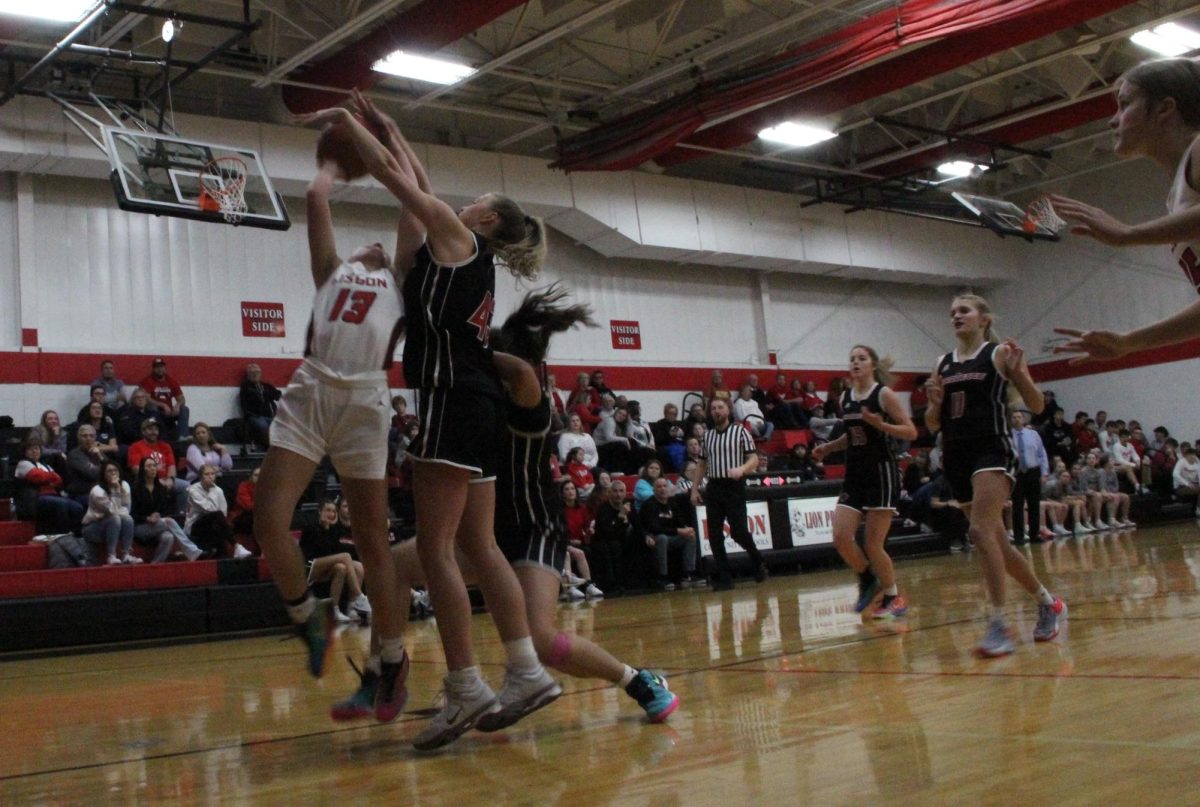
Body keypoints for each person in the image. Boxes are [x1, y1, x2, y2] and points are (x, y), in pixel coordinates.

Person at [301, 91, 558, 750]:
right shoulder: (465, 253)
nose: (459, 198)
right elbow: (412, 181)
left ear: (488, 217)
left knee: (440, 550)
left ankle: (467, 682)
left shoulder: (456, 232)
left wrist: (350, 125)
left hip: (447, 397)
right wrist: (388, 124)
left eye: (475, 198)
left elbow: (395, 177)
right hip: (480, 405)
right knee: (479, 545)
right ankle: (525, 669)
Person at [333, 286, 677, 729]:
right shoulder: (473, 407)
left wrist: (456, 349)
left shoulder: (528, 397)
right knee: (393, 567)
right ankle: (389, 668)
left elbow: (515, 368)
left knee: (540, 638)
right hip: (484, 535)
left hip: (534, 529)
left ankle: (637, 680)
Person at [242, 146, 408, 736]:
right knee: (267, 521)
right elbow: (315, 197)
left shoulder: (402, 283)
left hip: (365, 398)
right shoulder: (331, 272)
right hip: (312, 389)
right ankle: (309, 619)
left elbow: (412, 207)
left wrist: (387, 154)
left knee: (373, 542)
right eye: (367, 246)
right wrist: (335, 163)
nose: (375, 247)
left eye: (382, 249)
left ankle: (391, 662)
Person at [924, 294, 1065, 657]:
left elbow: (1036, 406)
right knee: (997, 543)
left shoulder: (1000, 354)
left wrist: (1019, 373)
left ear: (984, 319)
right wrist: (935, 404)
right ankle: (1047, 602)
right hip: (955, 455)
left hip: (993, 450)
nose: (956, 316)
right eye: (952, 312)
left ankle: (1000, 623)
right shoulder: (943, 363)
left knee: (978, 531)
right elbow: (931, 424)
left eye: (964, 311)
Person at [1051, 58, 1200, 362]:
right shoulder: (1178, 194)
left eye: (1124, 104)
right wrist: (1129, 342)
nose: (1112, 120)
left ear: (1164, 108)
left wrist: (1128, 234)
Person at [812, 345, 917, 620]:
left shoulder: (883, 394)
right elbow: (852, 435)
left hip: (882, 471)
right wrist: (829, 448)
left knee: (873, 544)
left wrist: (881, 425)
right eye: (852, 359)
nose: (855, 363)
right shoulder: (846, 397)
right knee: (840, 536)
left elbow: (910, 430)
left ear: (872, 364)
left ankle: (894, 597)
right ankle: (868, 579)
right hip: (855, 472)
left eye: (861, 358)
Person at [690, 397, 766, 590]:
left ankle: (757, 561)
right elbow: (702, 463)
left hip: (734, 486)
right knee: (714, 535)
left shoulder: (740, 432)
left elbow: (754, 459)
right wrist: (695, 489)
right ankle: (725, 577)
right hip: (714, 486)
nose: (716, 411)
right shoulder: (707, 436)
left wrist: (742, 469)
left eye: (720, 407)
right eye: (713, 408)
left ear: (728, 410)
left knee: (738, 532)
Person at [300, 501, 372, 623]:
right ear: (320, 512)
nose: (331, 513)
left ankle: (341, 609)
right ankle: (359, 596)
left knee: (346, 567)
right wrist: (326, 527)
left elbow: (332, 551)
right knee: (345, 556)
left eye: (333, 511)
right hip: (306, 568)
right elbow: (319, 550)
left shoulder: (334, 530)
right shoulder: (311, 527)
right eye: (327, 510)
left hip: (322, 567)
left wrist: (330, 528)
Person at [131, 457, 203, 562]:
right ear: (143, 469)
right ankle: (191, 550)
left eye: (154, 465)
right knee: (169, 521)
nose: (152, 468)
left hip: (157, 525)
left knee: (168, 537)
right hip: (140, 527)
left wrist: (157, 514)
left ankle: (155, 566)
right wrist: (147, 518)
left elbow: (163, 509)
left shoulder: (160, 488)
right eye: (149, 466)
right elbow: (132, 514)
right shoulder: (135, 488)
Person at [639, 476, 702, 591]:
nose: (662, 489)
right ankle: (662, 577)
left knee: (690, 536)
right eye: (659, 487)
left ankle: (689, 574)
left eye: (664, 486)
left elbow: (680, 521)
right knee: (662, 538)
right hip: (653, 537)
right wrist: (678, 531)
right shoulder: (649, 505)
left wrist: (686, 528)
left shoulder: (672, 503)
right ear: (653, 490)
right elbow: (654, 528)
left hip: (672, 537)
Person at [13, 436, 84, 535]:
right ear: (25, 452)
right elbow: (39, 477)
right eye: (30, 449)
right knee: (61, 504)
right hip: (36, 499)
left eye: (36, 448)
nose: (34, 451)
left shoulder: (45, 465)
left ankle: (77, 536)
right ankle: (63, 535)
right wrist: (51, 477)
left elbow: (59, 481)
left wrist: (48, 478)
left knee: (77, 507)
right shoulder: (23, 464)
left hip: (53, 495)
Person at [81, 460, 139, 566]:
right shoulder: (97, 491)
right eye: (109, 471)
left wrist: (119, 489)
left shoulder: (125, 485)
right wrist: (117, 490)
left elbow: (127, 509)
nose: (113, 473)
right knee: (114, 518)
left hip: (115, 526)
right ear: (103, 474)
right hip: (92, 528)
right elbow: (112, 511)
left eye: (115, 470)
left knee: (128, 519)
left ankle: (126, 554)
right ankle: (111, 555)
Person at [126, 418, 188, 513]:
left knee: (186, 486)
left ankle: (182, 515)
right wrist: (156, 481)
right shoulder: (135, 447)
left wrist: (170, 479)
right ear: (143, 431)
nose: (153, 432)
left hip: (166, 480)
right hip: (147, 481)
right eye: (150, 429)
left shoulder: (165, 446)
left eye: (156, 429)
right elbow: (136, 469)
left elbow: (171, 466)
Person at [185, 465, 244, 558]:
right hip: (195, 525)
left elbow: (223, 511)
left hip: (213, 524)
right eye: (207, 474)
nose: (210, 476)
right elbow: (209, 509)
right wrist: (212, 490)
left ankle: (226, 557)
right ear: (201, 477)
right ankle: (236, 546)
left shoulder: (219, 490)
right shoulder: (193, 490)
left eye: (212, 474)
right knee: (217, 517)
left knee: (220, 527)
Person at [1010, 410, 1050, 545]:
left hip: (1033, 471)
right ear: (1010, 420)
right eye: (1014, 417)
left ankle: (1034, 534)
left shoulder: (1033, 434)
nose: (1016, 419)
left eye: (1019, 417)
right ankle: (1018, 536)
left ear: (1023, 419)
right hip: (1017, 473)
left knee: (1034, 505)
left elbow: (1041, 453)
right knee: (1018, 505)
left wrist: (1044, 472)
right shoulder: (1008, 436)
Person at [138, 358, 190, 439]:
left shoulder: (171, 381)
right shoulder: (147, 381)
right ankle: (161, 437)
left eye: (161, 367)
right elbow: (147, 399)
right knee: (153, 409)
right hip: (155, 411)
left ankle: (183, 436)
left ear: (165, 368)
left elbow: (182, 399)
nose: (159, 369)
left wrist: (177, 405)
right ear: (153, 369)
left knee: (184, 409)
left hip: (169, 411)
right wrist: (162, 405)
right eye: (157, 367)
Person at [239, 363, 282, 449]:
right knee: (263, 426)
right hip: (255, 416)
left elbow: (278, 395)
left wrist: (265, 393)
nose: (254, 374)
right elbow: (247, 400)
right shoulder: (245, 387)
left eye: (257, 372)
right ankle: (269, 447)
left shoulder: (266, 386)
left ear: (260, 374)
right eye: (252, 372)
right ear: (248, 375)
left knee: (281, 427)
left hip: (270, 416)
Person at [64, 424, 105, 508]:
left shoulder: (99, 453)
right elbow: (92, 474)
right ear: (78, 438)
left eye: (91, 436)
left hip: (99, 492)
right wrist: (103, 469)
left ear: (95, 438)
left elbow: (113, 470)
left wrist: (100, 458)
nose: (88, 439)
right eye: (84, 436)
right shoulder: (74, 454)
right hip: (81, 494)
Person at [1172, 444, 1200, 514]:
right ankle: (1198, 508)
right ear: (1187, 456)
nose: (1193, 457)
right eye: (1191, 456)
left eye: (1194, 455)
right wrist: (1187, 484)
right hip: (1181, 487)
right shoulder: (1181, 462)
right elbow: (1175, 474)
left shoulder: (1197, 463)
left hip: (1194, 485)